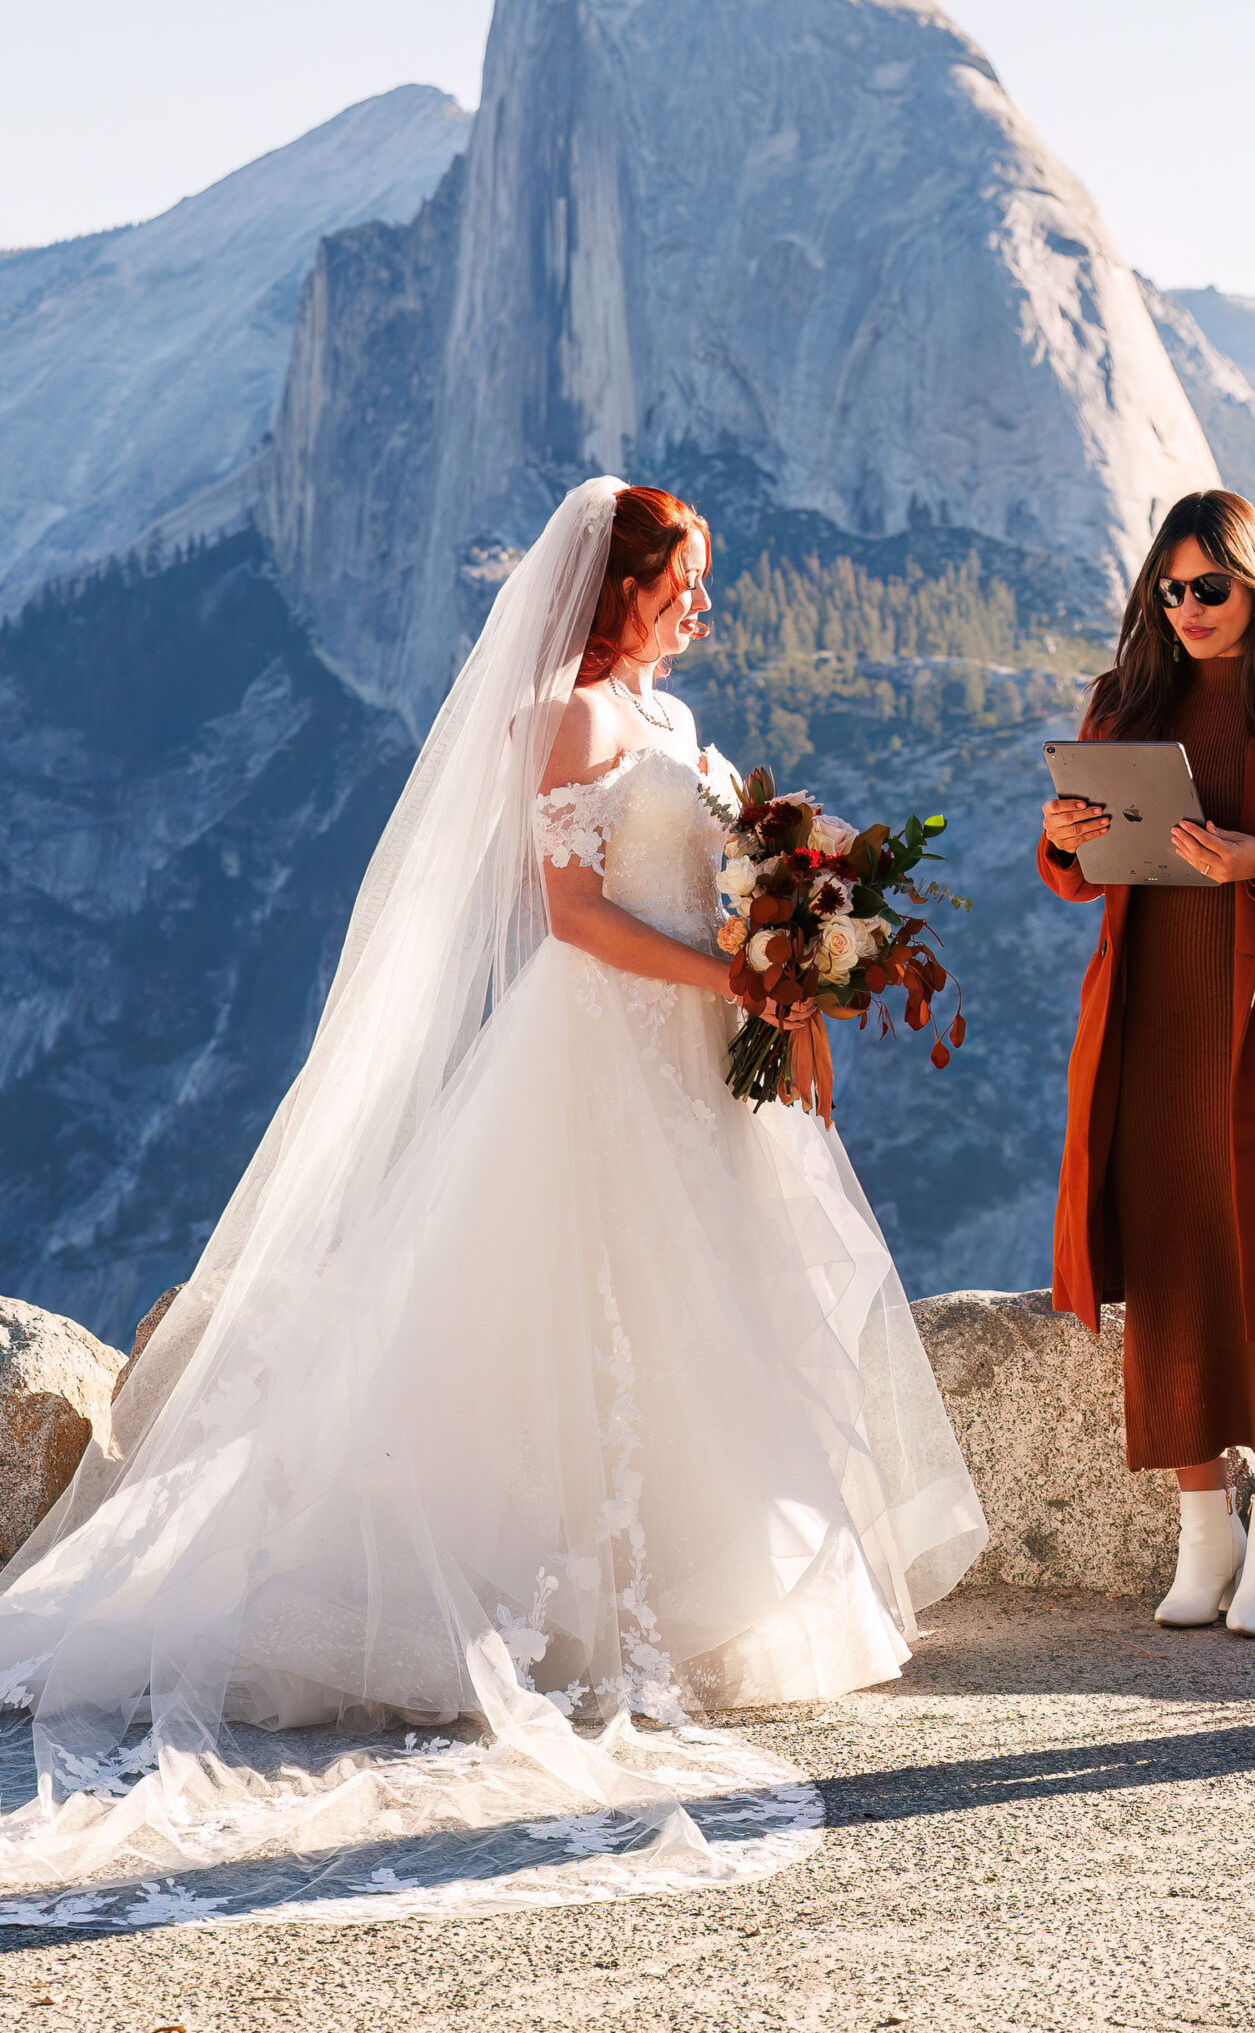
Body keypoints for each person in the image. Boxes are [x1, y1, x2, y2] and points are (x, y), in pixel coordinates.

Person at [0, 479, 986, 1927]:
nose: (703, 602)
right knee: (576, 1308)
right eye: (684, 579)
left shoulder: (665, 722)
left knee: (702, 1315)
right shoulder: (572, 720)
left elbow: (705, 878)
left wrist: (787, 937)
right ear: (618, 588)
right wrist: (741, 976)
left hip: (701, 1061)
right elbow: (578, 919)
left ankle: (706, 1584)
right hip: (598, 1050)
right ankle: (536, 1599)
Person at [1039, 490, 1255, 1640]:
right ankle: (1202, 1526)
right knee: (1174, 1262)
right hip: (1149, 1020)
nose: (1187, 609)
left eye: (1209, 587)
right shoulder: (1124, 701)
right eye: (1169, 590)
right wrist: (1067, 841)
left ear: (1254, 583)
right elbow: (1075, 867)